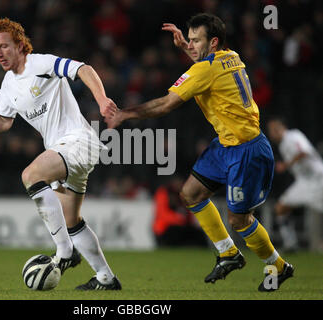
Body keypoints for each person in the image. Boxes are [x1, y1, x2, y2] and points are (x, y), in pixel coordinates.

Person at [106, 13, 293, 291]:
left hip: (246, 151)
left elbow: (166, 104)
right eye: (189, 39)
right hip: (226, 144)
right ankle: (228, 253)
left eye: (196, 40)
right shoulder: (232, 56)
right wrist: (188, 49)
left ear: (213, 41)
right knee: (191, 193)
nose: (190, 44)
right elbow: (208, 68)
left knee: (239, 219)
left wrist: (124, 114)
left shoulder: (204, 69)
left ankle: (278, 266)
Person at [0, 18, 121, 290]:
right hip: (63, 151)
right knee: (71, 221)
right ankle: (106, 279)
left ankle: (64, 252)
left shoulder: (40, 63)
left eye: (4, 46)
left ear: (21, 46)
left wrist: (102, 99)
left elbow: (84, 69)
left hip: (78, 141)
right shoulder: (8, 86)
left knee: (31, 175)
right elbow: (3, 121)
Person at [267, 117, 323, 251]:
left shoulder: (293, 136)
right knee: (281, 208)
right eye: (271, 131)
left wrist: (285, 165)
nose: (272, 133)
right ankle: (290, 243)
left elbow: (303, 152)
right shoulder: (282, 144)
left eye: (275, 129)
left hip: (318, 179)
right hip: (303, 182)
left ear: (282, 128)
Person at [153, 176, 207, 247]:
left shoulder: (184, 194)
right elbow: (163, 214)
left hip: (182, 226)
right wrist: (179, 219)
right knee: (175, 233)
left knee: (199, 234)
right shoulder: (164, 192)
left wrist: (187, 222)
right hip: (165, 228)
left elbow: (189, 213)